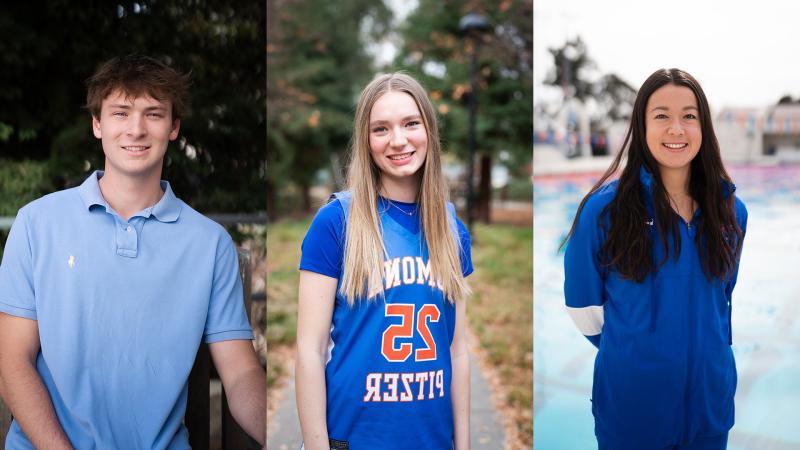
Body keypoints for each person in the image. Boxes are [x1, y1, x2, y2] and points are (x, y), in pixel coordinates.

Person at [0, 55, 265, 449]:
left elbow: (241, 373)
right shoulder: (36, 223)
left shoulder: (210, 244)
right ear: (97, 124)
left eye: (153, 114)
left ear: (174, 127)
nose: (136, 130)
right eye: (120, 112)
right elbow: (12, 363)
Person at [563, 68, 747, 450]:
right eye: (661, 115)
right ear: (642, 127)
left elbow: (722, 300)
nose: (676, 128)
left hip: (710, 411)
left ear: (704, 126)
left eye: (689, 116)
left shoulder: (731, 212)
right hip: (633, 414)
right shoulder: (603, 212)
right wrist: (637, 351)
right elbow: (583, 308)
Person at [295, 73, 473, 450]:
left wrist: (464, 444)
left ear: (428, 130)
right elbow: (309, 350)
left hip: (432, 439)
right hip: (354, 438)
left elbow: (458, 351)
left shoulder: (451, 227)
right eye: (381, 129)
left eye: (410, 123)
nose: (398, 140)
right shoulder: (336, 221)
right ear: (366, 140)